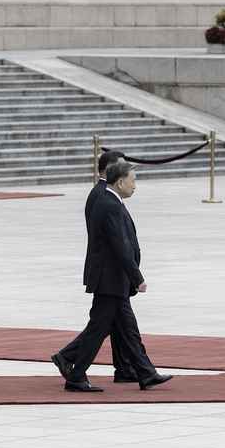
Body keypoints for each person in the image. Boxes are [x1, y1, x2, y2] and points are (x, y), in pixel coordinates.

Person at [57, 160, 173, 392]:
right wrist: (137, 277)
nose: (135, 186)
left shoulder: (111, 201)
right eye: (133, 181)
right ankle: (76, 375)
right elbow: (120, 246)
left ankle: (145, 372)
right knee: (98, 329)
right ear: (120, 182)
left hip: (113, 279)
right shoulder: (109, 204)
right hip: (110, 279)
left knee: (127, 329)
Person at [52, 150, 139, 384]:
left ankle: (126, 369)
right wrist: (134, 274)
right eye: (121, 168)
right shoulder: (104, 195)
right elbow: (113, 241)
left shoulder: (104, 193)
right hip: (109, 274)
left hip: (113, 274)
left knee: (116, 324)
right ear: (109, 170)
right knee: (104, 324)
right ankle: (71, 362)